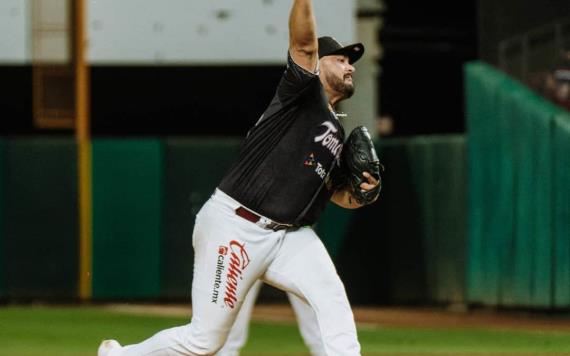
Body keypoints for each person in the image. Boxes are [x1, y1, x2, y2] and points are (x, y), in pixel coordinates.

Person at [98, 1, 379, 355]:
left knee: (331, 296)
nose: (349, 65)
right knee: (204, 342)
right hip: (236, 227)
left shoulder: (334, 131)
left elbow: (336, 193)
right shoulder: (301, 94)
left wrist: (362, 193)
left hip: (289, 236)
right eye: (340, 58)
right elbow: (304, 42)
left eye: (350, 61)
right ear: (318, 64)